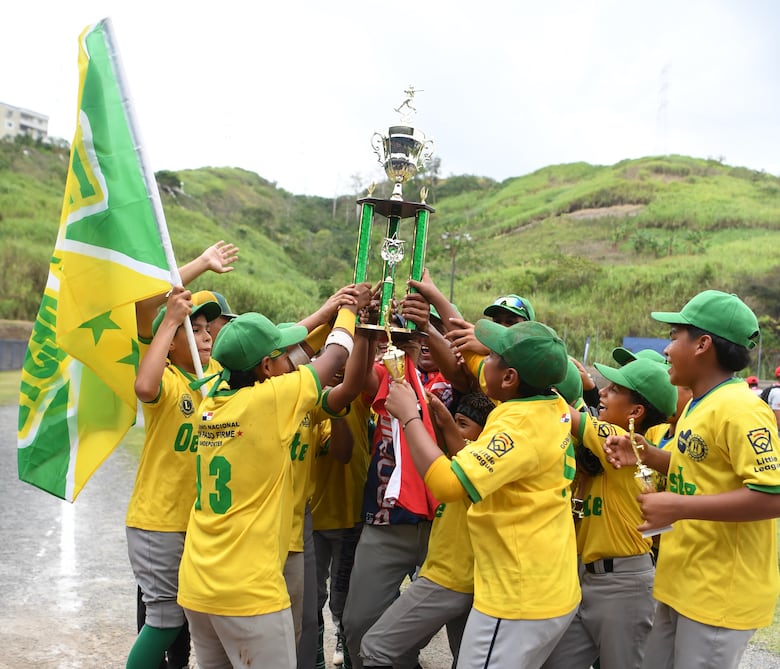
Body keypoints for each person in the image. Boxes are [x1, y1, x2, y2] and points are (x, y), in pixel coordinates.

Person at [176, 283, 369, 669]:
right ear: (266, 368)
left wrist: (329, 314)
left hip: (199, 584)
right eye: (282, 356)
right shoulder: (270, 401)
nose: (292, 362)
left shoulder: (212, 401)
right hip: (248, 591)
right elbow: (334, 355)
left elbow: (298, 358)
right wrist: (349, 311)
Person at [385, 319, 580, 669]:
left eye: (490, 355)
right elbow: (484, 370)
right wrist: (436, 315)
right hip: (549, 586)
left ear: (509, 378)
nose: (480, 360)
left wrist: (409, 417)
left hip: (516, 601)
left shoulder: (517, 425)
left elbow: (448, 484)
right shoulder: (552, 402)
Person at [604, 289, 780, 669]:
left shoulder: (741, 408)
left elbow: (772, 497)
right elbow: (702, 471)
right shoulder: (702, 403)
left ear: (702, 344)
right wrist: (649, 454)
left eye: (672, 336)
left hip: (718, 594)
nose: (666, 349)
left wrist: (679, 507)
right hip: (682, 582)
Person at [543, 357, 677, 669]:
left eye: (614, 390)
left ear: (635, 412)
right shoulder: (620, 447)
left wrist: (537, 362)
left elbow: (560, 411)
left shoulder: (620, 442)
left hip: (624, 585)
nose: (602, 392)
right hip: (593, 579)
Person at [360, 391, 494, 669]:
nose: (455, 431)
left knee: (375, 648)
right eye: (454, 423)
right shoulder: (454, 460)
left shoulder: (478, 467)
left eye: (463, 424)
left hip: (449, 580)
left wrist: (430, 421)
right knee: (465, 661)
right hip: (457, 579)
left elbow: (463, 458)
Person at [126, 287, 222, 669]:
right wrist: (168, 318)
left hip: (199, 522)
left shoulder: (214, 377)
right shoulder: (167, 380)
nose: (206, 336)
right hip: (159, 522)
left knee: (190, 619)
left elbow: (270, 355)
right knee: (164, 620)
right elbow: (144, 387)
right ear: (169, 342)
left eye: (206, 328)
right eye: (193, 329)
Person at [341, 295, 440, 669]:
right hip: (386, 520)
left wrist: (426, 331)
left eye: (412, 334)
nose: (405, 341)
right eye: (396, 334)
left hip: (441, 525)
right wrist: (366, 331)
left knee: (460, 625)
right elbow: (357, 379)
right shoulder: (388, 375)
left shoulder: (448, 386)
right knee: (356, 624)